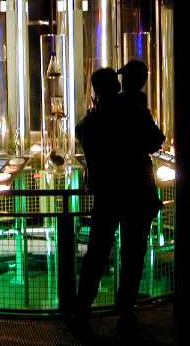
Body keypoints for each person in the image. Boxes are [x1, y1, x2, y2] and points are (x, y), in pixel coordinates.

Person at [73, 66, 165, 336]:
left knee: (97, 253)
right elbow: (155, 140)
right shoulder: (132, 112)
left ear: (96, 92)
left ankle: (82, 309)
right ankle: (126, 311)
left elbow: (82, 133)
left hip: (107, 196)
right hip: (137, 193)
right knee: (133, 255)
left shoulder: (89, 123)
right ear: (116, 87)